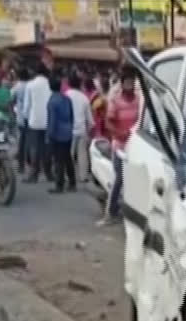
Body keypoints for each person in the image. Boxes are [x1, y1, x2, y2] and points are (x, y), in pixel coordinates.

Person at [99, 66, 140, 226]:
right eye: (127, 83)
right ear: (122, 84)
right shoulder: (115, 101)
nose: (129, 85)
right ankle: (111, 213)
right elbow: (109, 122)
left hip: (136, 146)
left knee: (135, 180)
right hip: (120, 145)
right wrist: (119, 133)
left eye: (132, 82)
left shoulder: (139, 101)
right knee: (119, 179)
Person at [22, 64, 53, 183]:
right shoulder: (50, 83)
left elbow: (27, 105)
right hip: (48, 120)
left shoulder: (30, 85)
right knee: (47, 147)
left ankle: (34, 174)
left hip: (34, 120)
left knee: (34, 148)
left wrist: (25, 117)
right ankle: (49, 173)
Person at [66, 73, 94, 184]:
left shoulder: (66, 95)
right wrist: (89, 130)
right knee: (83, 154)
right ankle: (83, 176)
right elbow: (90, 120)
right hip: (82, 129)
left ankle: (69, 176)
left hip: (68, 130)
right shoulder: (84, 98)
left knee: (69, 154)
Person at [11, 67, 30, 174]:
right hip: (30, 117)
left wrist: (12, 112)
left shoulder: (17, 86)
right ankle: (32, 163)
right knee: (31, 142)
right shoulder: (31, 85)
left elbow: (10, 99)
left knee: (22, 143)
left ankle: (21, 165)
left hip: (21, 117)